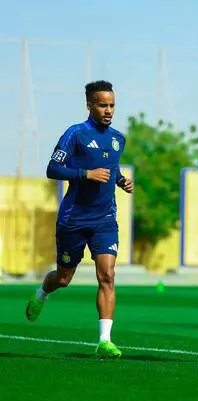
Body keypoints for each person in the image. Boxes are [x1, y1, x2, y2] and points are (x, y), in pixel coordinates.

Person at [25, 80, 134, 358]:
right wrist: (85, 174)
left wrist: (121, 180)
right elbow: (53, 169)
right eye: (102, 105)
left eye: (112, 105)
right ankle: (41, 294)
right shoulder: (75, 134)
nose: (108, 110)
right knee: (63, 278)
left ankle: (105, 341)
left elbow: (109, 166)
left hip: (105, 219)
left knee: (107, 275)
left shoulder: (117, 138)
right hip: (73, 219)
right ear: (89, 105)